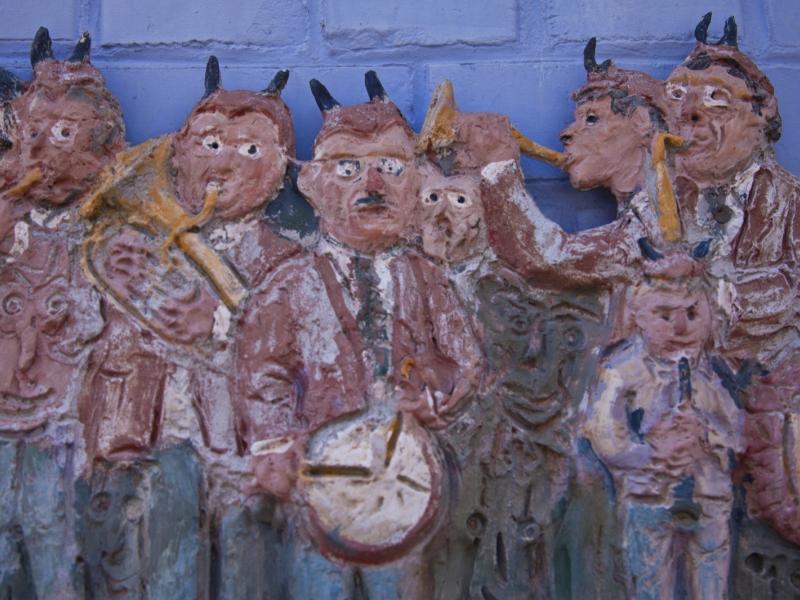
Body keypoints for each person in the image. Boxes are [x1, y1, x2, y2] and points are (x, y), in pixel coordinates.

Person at [235, 71, 482, 597]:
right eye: (348, 169)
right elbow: (262, 370)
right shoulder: (290, 282)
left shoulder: (427, 278)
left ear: (415, 184)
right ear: (312, 185)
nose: (372, 187)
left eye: (390, 168)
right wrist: (274, 444)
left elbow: (465, 359)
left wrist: (434, 396)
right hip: (321, 478)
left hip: (407, 478)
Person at [663, 13, 800, 546]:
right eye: (677, 96)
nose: (689, 113)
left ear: (761, 115)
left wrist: (725, 296)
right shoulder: (659, 199)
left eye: (716, 99)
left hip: (772, 387)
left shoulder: (786, 198)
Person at [582, 250, 742, 599]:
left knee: (711, 580)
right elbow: (603, 432)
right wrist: (650, 452)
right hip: (649, 495)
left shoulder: (713, 374)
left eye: (692, 313)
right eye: (664, 315)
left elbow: (737, 433)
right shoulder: (622, 370)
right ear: (639, 316)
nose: (680, 327)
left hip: (708, 494)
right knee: (651, 582)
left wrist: (706, 433)